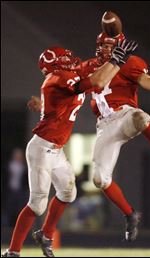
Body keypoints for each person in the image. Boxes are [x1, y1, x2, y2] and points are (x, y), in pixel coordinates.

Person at [28, 31, 150, 242]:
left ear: (119, 47)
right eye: (102, 44)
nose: (104, 48)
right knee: (99, 179)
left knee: (141, 118)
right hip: (104, 126)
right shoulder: (88, 66)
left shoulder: (130, 63)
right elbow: (68, 90)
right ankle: (130, 214)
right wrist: (44, 104)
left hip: (124, 115)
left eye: (109, 45)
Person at [2, 40, 138, 257]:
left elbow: (95, 76)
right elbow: (98, 79)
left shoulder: (63, 76)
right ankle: (13, 252)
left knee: (68, 192)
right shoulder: (58, 78)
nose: (70, 59)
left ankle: (45, 235)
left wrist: (114, 59)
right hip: (42, 149)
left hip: (56, 150)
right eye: (63, 58)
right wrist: (117, 59)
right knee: (37, 205)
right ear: (55, 65)